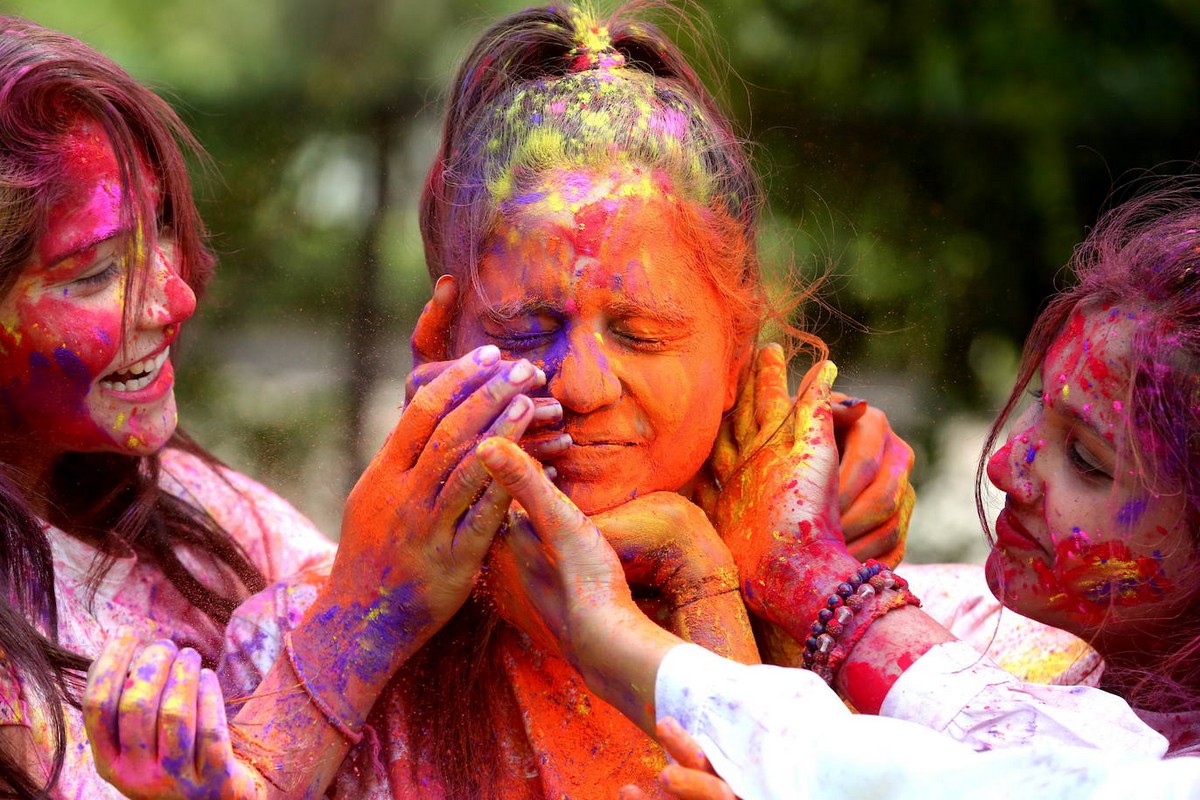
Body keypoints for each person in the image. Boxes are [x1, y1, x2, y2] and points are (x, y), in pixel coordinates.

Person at [89, 4, 915, 798]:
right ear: (443, 340)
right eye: (526, 330)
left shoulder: (822, 624)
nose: (582, 386)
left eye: (640, 333)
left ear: (738, 358)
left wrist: (711, 582)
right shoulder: (303, 641)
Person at [474, 183, 1200, 799]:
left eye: (1088, 459)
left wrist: (807, 584)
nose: (1006, 464)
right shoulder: (1005, 639)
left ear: (737, 357)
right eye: (524, 328)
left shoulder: (1095, 733)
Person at [0, 16, 554, 799]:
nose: (177, 297)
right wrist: (356, 621)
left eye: (162, 228)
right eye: (93, 273)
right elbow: (356, 613)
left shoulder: (181, 501)